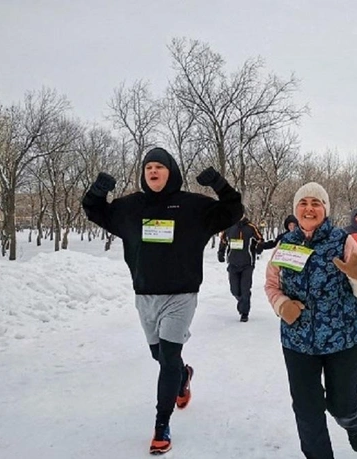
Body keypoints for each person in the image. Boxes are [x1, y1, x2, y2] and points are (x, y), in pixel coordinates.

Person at [82, 147, 243, 455]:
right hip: (145, 295)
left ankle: (161, 426)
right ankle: (184, 376)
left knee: (168, 358)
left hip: (181, 295)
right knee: (160, 357)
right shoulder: (130, 207)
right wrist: (98, 190)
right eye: (148, 167)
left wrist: (219, 184)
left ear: (171, 171)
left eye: (159, 166)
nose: (153, 171)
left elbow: (233, 211)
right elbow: (95, 210)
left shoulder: (192, 206)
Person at [264, 182, 357, 459]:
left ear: (325, 209)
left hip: (343, 339)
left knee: (341, 404)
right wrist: (282, 305)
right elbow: (271, 285)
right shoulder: (286, 244)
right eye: (303, 203)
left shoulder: (342, 241)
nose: (309, 208)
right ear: (296, 210)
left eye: (316, 203)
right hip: (298, 342)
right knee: (307, 410)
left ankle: (351, 420)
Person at [217, 214, 264, 322]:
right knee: (234, 290)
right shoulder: (229, 226)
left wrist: (259, 247)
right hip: (233, 263)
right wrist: (221, 252)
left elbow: (260, 239)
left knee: (245, 289)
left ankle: (244, 313)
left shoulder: (250, 227)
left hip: (247, 264)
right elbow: (223, 240)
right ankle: (242, 301)